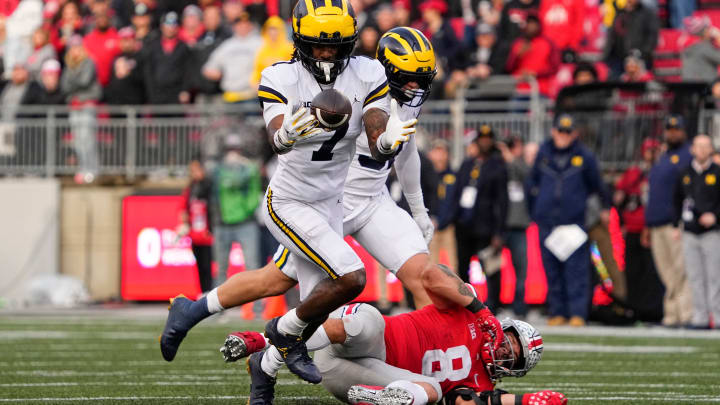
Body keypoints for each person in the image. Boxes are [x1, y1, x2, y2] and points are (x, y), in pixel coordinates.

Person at [160, 26, 503, 401]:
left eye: (421, 78)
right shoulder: (355, 86)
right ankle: (210, 318)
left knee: (423, 275)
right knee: (276, 280)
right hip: (330, 203)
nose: (414, 87)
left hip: (371, 200)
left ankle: (435, 370)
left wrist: (419, 209)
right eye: (407, 78)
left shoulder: (392, 92)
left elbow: (406, 152)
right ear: (386, 71)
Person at [222, 264, 563, 405]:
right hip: (365, 339)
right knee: (367, 320)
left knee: (428, 391)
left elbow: (466, 402)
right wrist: (480, 309)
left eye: (511, 357)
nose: (503, 351)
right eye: (509, 343)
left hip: (352, 375)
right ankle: (262, 344)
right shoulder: (468, 311)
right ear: (502, 328)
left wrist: (524, 401)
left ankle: (379, 400)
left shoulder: (482, 384)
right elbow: (431, 274)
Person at [526, 114, 609, 327]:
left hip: (573, 223)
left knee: (576, 270)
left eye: (567, 132)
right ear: (553, 131)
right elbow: (532, 183)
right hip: (548, 223)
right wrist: (535, 212)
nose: (563, 136)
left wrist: (604, 207)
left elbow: (597, 185)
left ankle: (578, 313)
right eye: (560, 131)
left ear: (574, 134)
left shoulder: (585, 156)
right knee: (551, 270)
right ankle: (557, 311)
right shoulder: (543, 153)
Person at [446, 123, 508, 295]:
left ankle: (494, 304)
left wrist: (498, 232)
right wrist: (453, 218)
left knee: (490, 267)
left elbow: (502, 201)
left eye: (488, 140)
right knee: (462, 266)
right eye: (482, 139)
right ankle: (464, 303)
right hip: (464, 224)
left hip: (486, 226)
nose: (485, 143)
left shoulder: (498, 166)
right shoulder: (467, 164)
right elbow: (456, 193)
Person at [646, 115, 693, 328]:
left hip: (675, 222)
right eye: (669, 129)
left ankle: (685, 314)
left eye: (676, 129)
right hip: (657, 221)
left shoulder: (687, 155)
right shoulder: (664, 157)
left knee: (679, 270)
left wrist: (681, 218)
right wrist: (648, 223)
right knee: (666, 270)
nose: (672, 133)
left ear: (684, 131)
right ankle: (673, 314)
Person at [614, 138, 664, 322]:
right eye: (648, 150)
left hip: (650, 229)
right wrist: (621, 223)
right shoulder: (634, 173)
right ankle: (633, 308)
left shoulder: (659, 172)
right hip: (632, 229)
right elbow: (619, 198)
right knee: (633, 271)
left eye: (654, 150)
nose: (651, 154)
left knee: (652, 271)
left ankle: (652, 310)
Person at [673, 134, 720, 329]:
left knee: (715, 276)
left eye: (705, 146)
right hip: (690, 232)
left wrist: (715, 216)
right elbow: (676, 201)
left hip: (712, 232)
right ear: (692, 149)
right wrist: (677, 224)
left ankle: (717, 317)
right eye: (698, 146)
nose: (701, 150)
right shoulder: (685, 173)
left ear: (711, 149)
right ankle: (700, 317)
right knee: (694, 276)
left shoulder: (717, 173)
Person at [211, 133, 263, 289]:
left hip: (246, 223)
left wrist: (245, 210)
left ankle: (257, 309)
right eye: (230, 149)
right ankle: (215, 310)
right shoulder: (218, 170)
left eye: (236, 149)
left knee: (252, 266)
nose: (233, 153)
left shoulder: (250, 169)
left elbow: (255, 193)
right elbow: (214, 194)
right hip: (222, 224)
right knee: (220, 269)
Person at [497, 135, 530, 319]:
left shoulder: (522, 165)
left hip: (518, 225)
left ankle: (520, 307)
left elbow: (527, 175)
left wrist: (511, 158)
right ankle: (494, 304)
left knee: (521, 270)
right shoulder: (498, 165)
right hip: (500, 226)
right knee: (494, 269)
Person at [62, 35, 102, 184]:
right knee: (78, 140)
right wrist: (74, 81)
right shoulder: (69, 65)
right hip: (74, 106)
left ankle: (92, 169)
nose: (75, 51)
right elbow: (64, 86)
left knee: (88, 139)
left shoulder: (89, 62)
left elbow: (84, 81)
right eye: (72, 48)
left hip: (86, 104)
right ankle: (83, 168)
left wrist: (73, 80)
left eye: (77, 47)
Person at [203, 12, 262, 104]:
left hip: (251, 95)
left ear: (251, 25)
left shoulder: (260, 43)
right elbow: (208, 68)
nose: (242, 27)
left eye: (245, 24)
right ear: (234, 27)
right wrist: (218, 74)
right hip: (230, 95)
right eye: (239, 24)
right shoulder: (227, 45)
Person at [177, 157, 214, 294]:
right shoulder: (191, 188)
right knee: (199, 266)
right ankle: (202, 293)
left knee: (208, 266)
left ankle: (211, 294)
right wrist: (185, 223)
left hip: (207, 234)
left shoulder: (209, 187)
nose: (195, 173)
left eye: (197, 170)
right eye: (192, 170)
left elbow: (213, 208)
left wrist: (211, 228)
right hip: (195, 234)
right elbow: (183, 208)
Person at [505, 13, 559, 98]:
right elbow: (509, 67)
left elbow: (554, 68)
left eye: (534, 23)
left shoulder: (548, 43)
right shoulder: (518, 43)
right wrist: (517, 56)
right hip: (520, 89)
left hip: (541, 89)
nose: (531, 27)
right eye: (529, 23)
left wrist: (536, 74)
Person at [143, 12, 192, 104]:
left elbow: (188, 70)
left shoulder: (183, 47)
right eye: (168, 24)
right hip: (157, 92)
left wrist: (185, 90)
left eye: (173, 25)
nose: (170, 28)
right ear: (162, 26)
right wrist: (150, 92)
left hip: (176, 92)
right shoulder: (153, 45)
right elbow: (148, 70)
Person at [603, 0, 659, 79]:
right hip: (620, 59)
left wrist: (642, 54)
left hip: (640, 59)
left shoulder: (647, 14)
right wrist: (607, 56)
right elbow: (612, 36)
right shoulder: (620, 13)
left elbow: (652, 37)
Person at [428, 139, 458, 273]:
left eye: (442, 152)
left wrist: (445, 220)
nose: (439, 156)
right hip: (429, 226)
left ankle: (455, 294)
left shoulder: (454, 176)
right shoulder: (425, 176)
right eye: (436, 152)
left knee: (452, 267)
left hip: (449, 227)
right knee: (431, 268)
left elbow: (455, 202)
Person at [83, 0, 120, 88]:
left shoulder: (116, 37)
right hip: (93, 84)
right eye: (99, 17)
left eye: (104, 17)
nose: (101, 20)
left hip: (113, 83)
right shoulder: (88, 39)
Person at [105, 27, 145, 105]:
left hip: (135, 103)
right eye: (124, 40)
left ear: (134, 41)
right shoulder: (116, 58)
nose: (127, 43)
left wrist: (128, 72)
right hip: (117, 104)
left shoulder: (140, 58)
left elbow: (144, 80)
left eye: (129, 40)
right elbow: (111, 81)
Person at [250, 16, 293, 88]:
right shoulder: (262, 50)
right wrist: (255, 84)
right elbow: (257, 71)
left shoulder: (290, 48)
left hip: (286, 87)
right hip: (266, 88)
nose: (272, 32)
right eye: (270, 29)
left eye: (275, 29)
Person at [681, 16, 720, 83]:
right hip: (704, 88)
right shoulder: (704, 47)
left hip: (690, 87)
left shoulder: (689, 47)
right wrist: (719, 38)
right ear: (704, 32)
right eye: (708, 28)